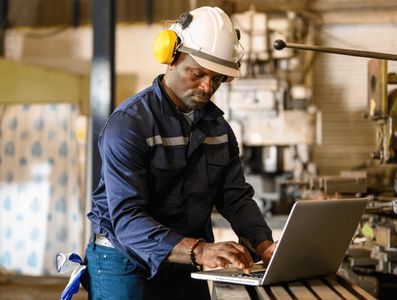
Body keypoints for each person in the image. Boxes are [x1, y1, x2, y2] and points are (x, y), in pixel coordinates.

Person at [82, 6, 276, 300]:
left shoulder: (218, 129)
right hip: (124, 259)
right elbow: (128, 218)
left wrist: (265, 245)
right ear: (171, 58)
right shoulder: (129, 125)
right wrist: (199, 250)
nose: (206, 87)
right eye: (197, 74)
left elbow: (235, 196)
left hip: (186, 256)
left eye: (218, 79)